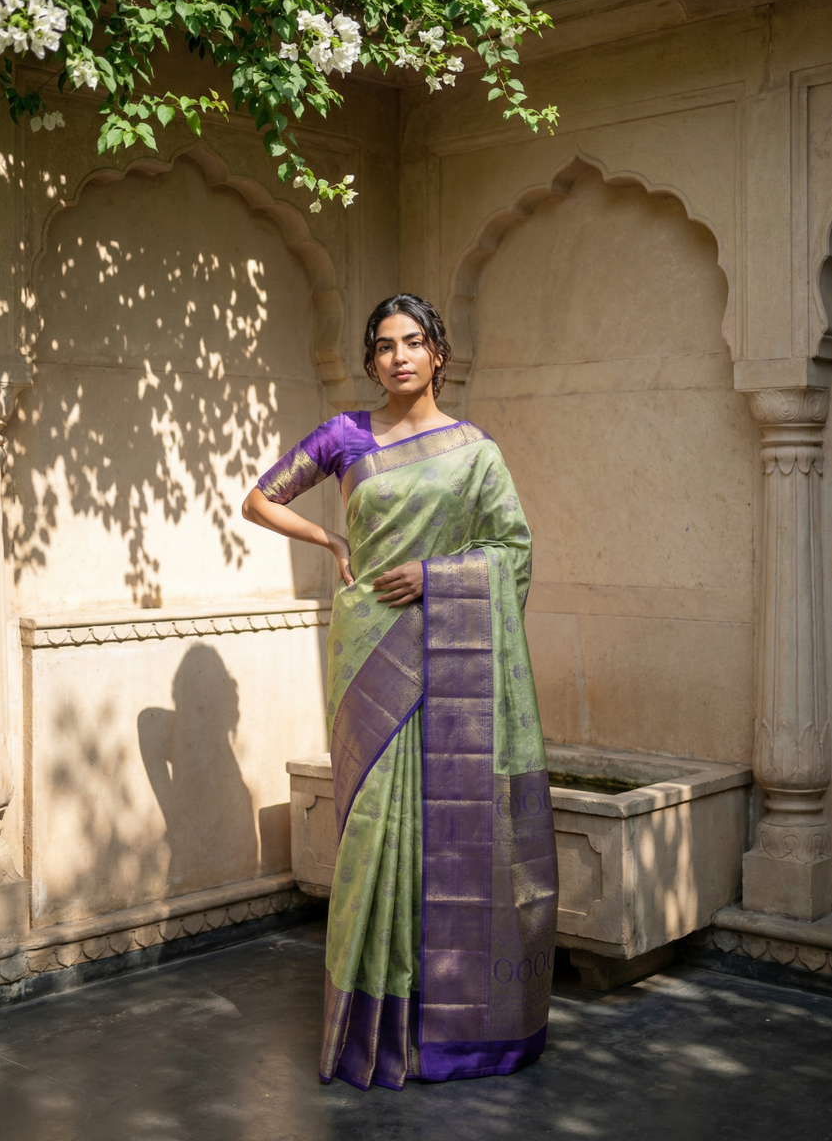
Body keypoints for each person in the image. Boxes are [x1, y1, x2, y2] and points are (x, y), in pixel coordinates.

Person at [243, 293, 558, 1090]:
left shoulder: (477, 452)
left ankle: (449, 1028)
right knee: (375, 835)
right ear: (372, 360)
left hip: (446, 657)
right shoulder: (346, 436)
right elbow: (259, 497)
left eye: (414, 343)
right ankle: (376, 1027)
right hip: (370, 654)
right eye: (383, 347)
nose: (398, 358)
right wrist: (331, 539)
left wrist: (439, 577)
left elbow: (511, 552)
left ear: (439, 354)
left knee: (448, 834)